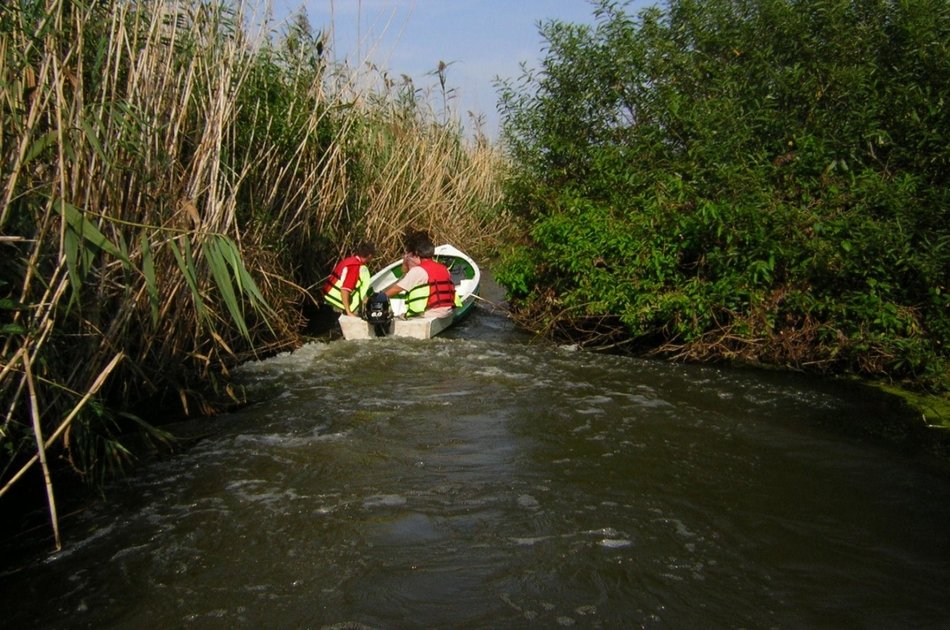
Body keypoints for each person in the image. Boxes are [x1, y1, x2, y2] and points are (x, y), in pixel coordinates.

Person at [384, 231, 456, 318]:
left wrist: (378, 297)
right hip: (448, 310)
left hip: (432, 312)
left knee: (399, 316)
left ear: (417, 253)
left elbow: (397, 289)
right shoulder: (444, 268)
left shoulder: (418, 271)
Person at [323, 241, 375, 316]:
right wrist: (349, 312)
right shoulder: (354, 266)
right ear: (370, 256)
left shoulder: (349, 261)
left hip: (328, 302)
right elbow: (345, 289)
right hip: (336, 306)